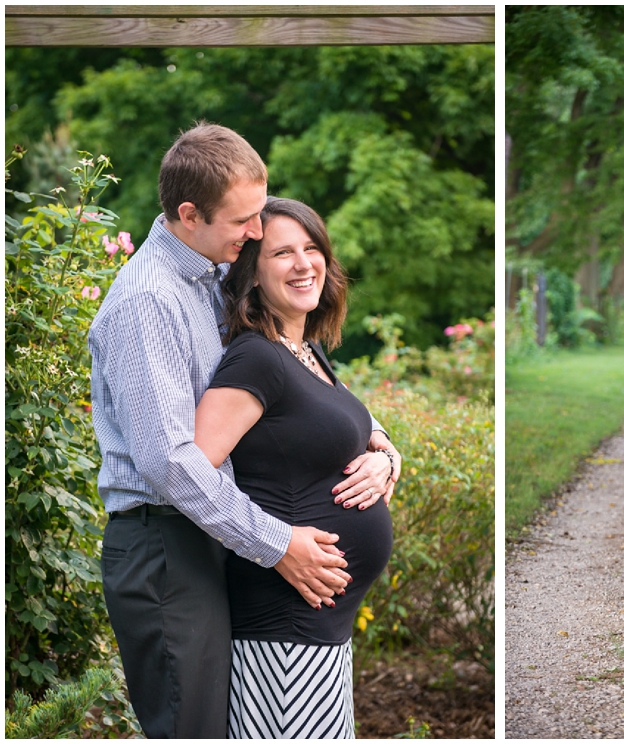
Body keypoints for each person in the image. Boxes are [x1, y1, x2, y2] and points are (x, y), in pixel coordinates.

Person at [89, 123, 400, 738]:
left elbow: (285, 374)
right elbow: (171, 462)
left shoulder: (211, 277)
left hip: (206, 538)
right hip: (165, 544)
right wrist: (278, 542)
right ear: (189, 213)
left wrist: (378, 443)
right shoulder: (149, 300)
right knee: (193, 729)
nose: (258, 234)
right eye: (245, 221)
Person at [194, 197, 393, 738]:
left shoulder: (306, 352)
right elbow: (193, 469)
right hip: (283, 627)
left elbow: (359, 428)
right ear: (253, 273)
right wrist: (275, 542)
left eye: (312, 248)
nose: (304, 263)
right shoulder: (255, 357)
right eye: (283, 252)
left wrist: (387, 460)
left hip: (319, 629)